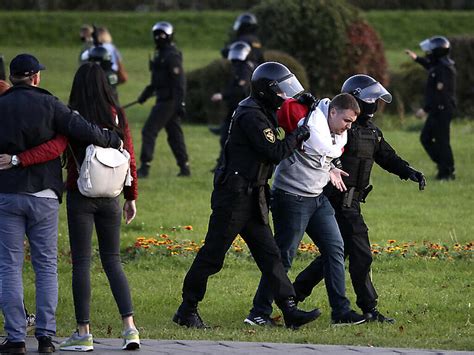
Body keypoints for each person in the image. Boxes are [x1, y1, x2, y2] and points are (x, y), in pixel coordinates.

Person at [173, 62, 320, 330]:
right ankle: (187, 309)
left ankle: (289, 309)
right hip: (235, 197)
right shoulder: (250, 115)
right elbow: (274, 151)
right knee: (212, 256)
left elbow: (280, 119)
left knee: (270, 255)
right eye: (282, 91)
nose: (284, 96)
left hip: (254, 195)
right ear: (266, 90)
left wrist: (304, 105)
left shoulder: (262, 109)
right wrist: (298, 134)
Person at [0, 53, 121, 354]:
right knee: (46, 266)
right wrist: (111, 139)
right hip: (44, 195)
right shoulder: (50, 103)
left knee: (9, 266)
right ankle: (45, 337)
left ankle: (15, 339)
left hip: (7, 194)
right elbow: (81, 129)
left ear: (13, 77)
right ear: (36, 77)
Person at [291, 74, 426, 324]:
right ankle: (368, 308)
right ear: (355, 98)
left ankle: (293, 294)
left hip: (351, 201)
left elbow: (387, 157)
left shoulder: (372, 132)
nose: (375, 103)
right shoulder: (342, 129)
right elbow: (325, 151)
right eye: (370, 98)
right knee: (361, 253)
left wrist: (409, 171)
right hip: (337, 199)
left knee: (335, 255)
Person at [246, 93, 367, 326]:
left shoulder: (332, 131)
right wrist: (329, 164)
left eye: (352, 122)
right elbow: (315, 145)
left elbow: (326, 153)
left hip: (316, 197)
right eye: (346, 121)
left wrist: (331, 167)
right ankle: (258, 312)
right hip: (291, 198)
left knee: (335, 249)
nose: (348, 128)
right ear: (332, 112)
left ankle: (341, 312)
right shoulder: (310, 125)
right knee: (284, 256)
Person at [137, 21, 190, 178]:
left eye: (162, 34)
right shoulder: (159, 54)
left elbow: (180, 82)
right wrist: (145, 95)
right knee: (174, 135)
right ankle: (184, 168)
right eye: (157, 34)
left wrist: (181, 103)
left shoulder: (172, 56)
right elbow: (156, 81)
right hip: (164, 99)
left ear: (169, 36)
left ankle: (145, 167)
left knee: (149, 130)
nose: (159, 37)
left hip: (169, 101)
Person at [405, 36, 456, 180]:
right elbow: (429, 65)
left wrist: (425, 110)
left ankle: (447, 172)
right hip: (437, 110)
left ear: (438, 52)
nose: (428, 53)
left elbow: (441, 95)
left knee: (442, 141)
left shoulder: (445, 70)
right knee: (426, 138)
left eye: (430, 51)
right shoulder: (438, 66)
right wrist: (416, 58)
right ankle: (444, 166)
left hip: (442, 110)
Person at [211, 41, 256, 169]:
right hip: (237, 107)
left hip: (240, 108)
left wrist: (222, 95)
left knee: (227, 137)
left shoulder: (245, 68)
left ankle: (224, 164)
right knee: (227, 137)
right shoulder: (242, 67)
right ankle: (222, 164)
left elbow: (240, 90)